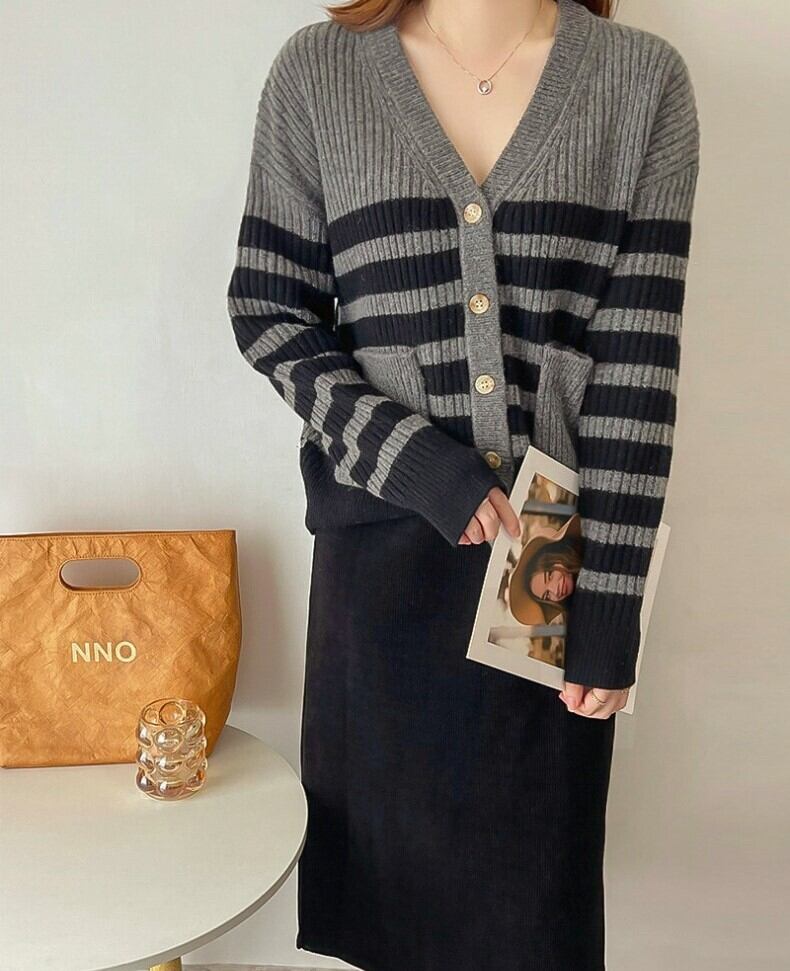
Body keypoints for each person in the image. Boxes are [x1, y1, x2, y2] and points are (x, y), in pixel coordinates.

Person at [226, 0, 700, 968]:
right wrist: (409, 456)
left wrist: (611, 604)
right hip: (380, 575)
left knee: (532, 926)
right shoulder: (319, 73)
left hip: (545, 581)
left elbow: (637, 368)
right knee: (389, 918)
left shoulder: (641, 83)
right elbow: (270, 309)